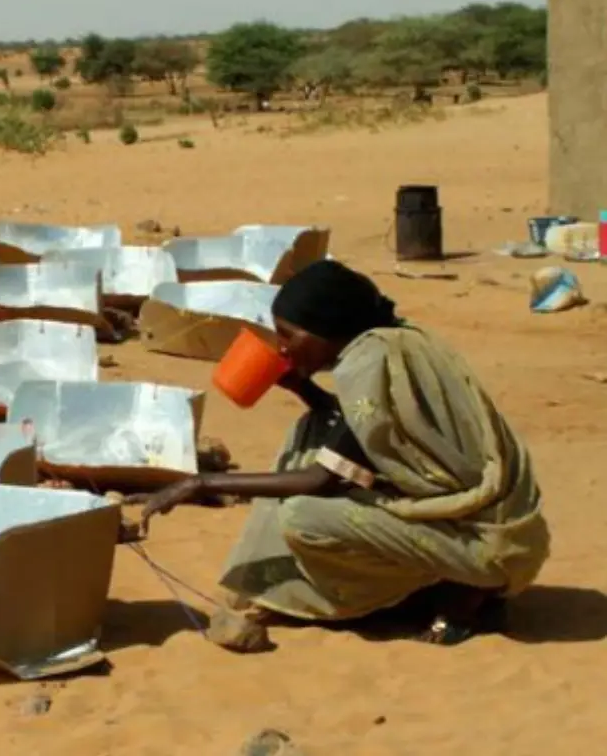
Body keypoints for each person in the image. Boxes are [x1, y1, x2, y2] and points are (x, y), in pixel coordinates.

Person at [135, 260, 550, 646]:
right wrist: (304, 389)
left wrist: (200, 482)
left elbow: (321, 478)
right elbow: (367, 430)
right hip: (492, 529)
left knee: (302, 516)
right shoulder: (392, 341)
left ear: (328, 329)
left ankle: (452, 592)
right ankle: (435, 581)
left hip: (490, 546)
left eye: (288, 335)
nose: (281, 349)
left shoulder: (370, 365)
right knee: (314, 428)